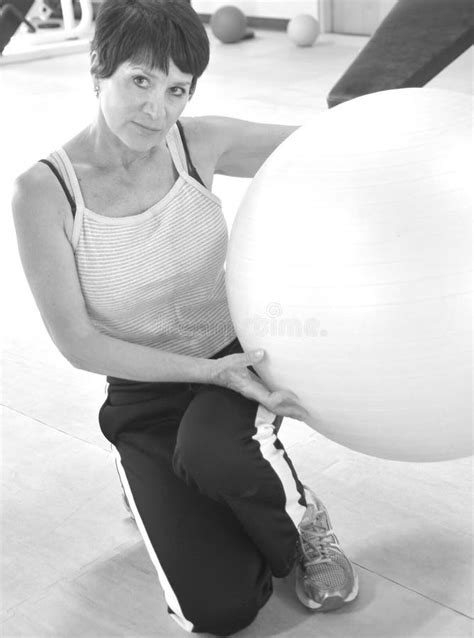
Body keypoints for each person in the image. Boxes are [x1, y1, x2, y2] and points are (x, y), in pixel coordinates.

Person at [12, 1, 359, 635]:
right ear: (98, 68)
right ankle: (158, 482)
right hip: (143, 395)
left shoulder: (197, 142)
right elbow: (79, 344)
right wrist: (204, 374)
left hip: (237, 360)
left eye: (178, 88)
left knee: (211, 453)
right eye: (139, 80)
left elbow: (320, 149)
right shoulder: (43, 194)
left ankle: (303, 519)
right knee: (221, 611)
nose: (158, 108)